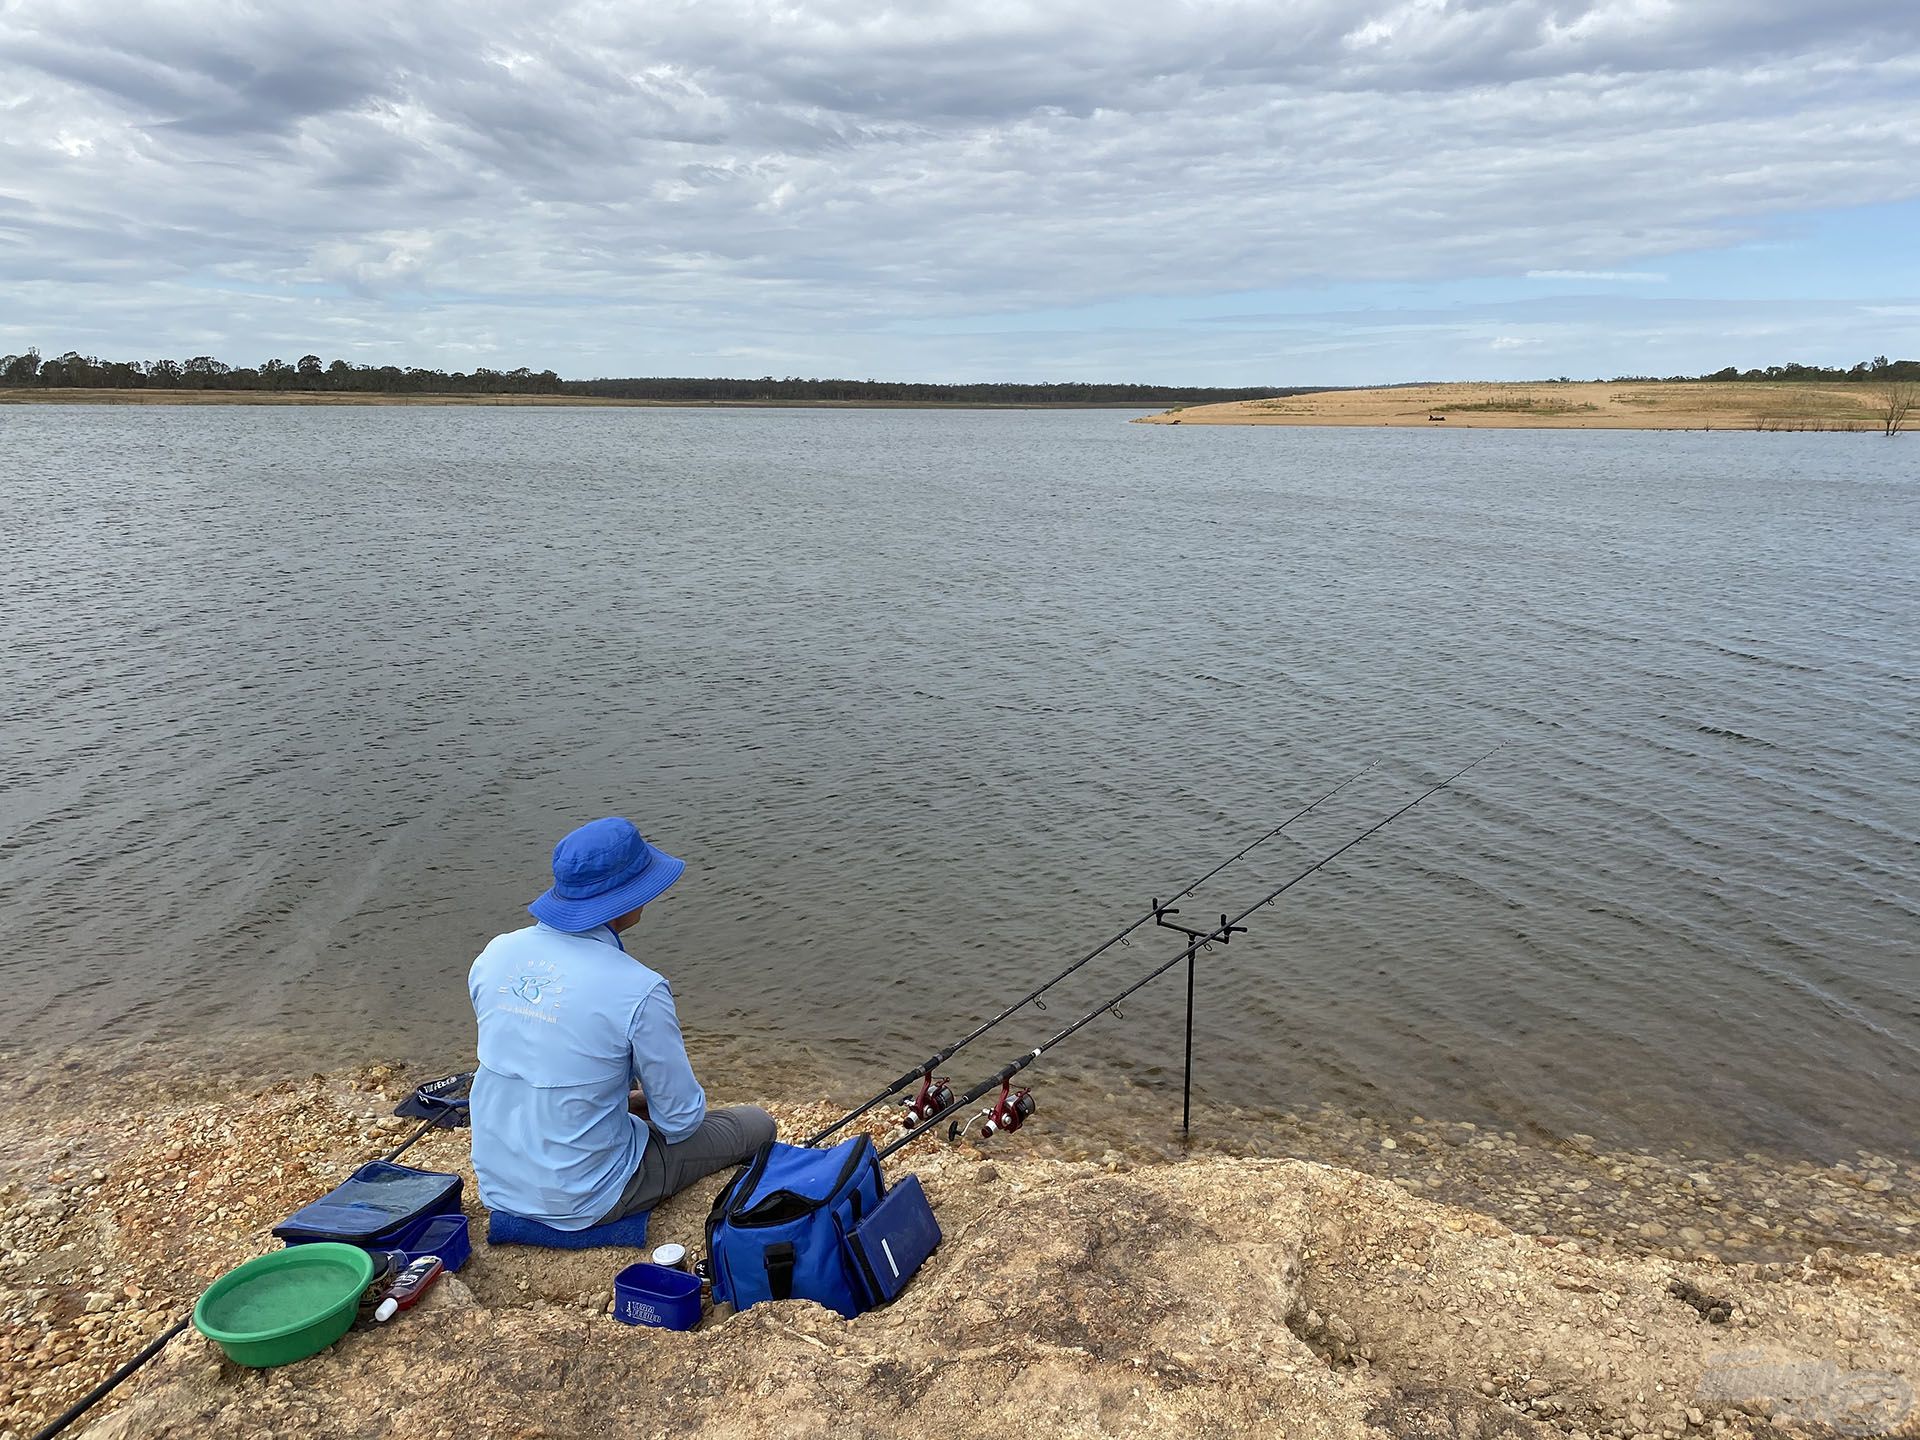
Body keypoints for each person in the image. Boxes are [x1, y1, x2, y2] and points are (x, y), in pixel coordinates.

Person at [468, 816, 775, 1229]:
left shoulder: (495, 954)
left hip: (499, 1186)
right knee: (756, 1125)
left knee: (602, 1064)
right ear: (628, 898)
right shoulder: (638, 988)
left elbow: (544, 1054)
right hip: (588, 1196)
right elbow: (680, 1122)